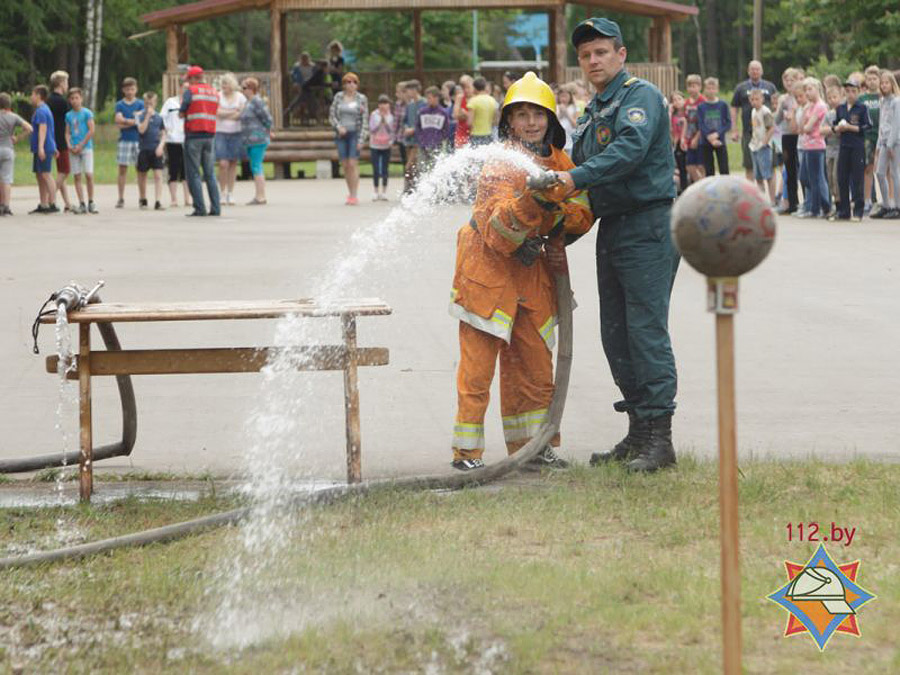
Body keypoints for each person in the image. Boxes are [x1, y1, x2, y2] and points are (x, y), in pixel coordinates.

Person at [449, 72, 593, 471]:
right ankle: (467, 454)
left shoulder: (561, 163)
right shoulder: (498, 165)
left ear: (551, 118)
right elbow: (498, 235)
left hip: (532, 273)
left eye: (538, 114)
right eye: (521, 114)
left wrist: (558, 218)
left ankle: (534, 447)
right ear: (508, 122)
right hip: (488, 272)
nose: (530, 122)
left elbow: (582, 213)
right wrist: (535, 202)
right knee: (478, 367)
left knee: (533, 364)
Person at [554, 17, 680, 473]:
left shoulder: (639, 97)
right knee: (616, 334)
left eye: (601, 52)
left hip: (648, 224)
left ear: (621, 55)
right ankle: (638, 433)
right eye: (586, 55)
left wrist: (572, 178)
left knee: (645, 332)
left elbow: (628, 151)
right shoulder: (592, 110)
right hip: (613, 227)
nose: (593, 61)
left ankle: (660, 440)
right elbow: (582, 168)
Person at [180, 65, 221, 217]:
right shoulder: (214, 92)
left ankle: (200, 208)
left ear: (192, 78)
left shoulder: (191, 91)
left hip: (194, 137)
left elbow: (182, 112)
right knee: (210, 174)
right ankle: (216, 208)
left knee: (194, 174)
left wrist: (183, 114)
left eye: (189, 79)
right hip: (210, 136)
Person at [830, 78, 870, 222]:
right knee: (842, 178)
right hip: (844, 146)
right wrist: (837, 128)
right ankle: (844, 211)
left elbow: (867, 126)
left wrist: (850, 127)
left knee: (857, 179)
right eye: (847, 91)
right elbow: (834, 126)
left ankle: (858, 211)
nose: (850, 94)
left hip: (857, 146)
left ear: (858, 92)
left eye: (853, 91)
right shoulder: (840, 108)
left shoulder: (862, 107)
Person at [730, 60, 778, 181]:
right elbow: (734, 107)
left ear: (761, 71)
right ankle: (751, 196)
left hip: (767, 133)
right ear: (748, 71)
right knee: (749, 166)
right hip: (749, 132)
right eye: (752, 69)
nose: (755, 71)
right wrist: (734, 128)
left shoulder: (770, 86)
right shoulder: (741, 88)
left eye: (757, 69)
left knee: (770, 166)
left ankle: (771, 198)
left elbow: (777, 105)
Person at [329, 72, 368, 205]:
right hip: (341, 134)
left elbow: (365, 120)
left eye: (354, 82)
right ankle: (349, 191)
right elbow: (332, 115)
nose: (351, 85)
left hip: (355, 133)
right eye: (348, 82)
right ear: (344, 85)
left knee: (352, 163)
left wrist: (362, 139)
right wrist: (338, 127)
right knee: (345, 165)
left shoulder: (361, 99)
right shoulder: (338, 97)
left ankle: (354, 194)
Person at [239, 77, 274, 206]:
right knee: (255, 166)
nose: (242, 91)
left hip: (258, 139)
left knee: (256, 166)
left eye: (244, 88)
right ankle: (259, 194)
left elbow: (267, 118)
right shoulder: (248, 102)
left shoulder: (257, 101)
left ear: (251, 89)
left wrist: (268, 130)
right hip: (249, 140)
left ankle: (261, 196)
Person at [214, 74, 246, 206]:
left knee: (233, 163)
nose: (223, 87)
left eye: (226, 84)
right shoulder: (218, 96)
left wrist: (226, 113)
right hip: (220, 132)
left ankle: (230, 193)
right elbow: (217, 113)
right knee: (223, 163)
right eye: (222, 84)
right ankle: (222, 193)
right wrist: (233, 111)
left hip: (236, 132)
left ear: (232, 85)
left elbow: (241, 114)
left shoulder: (240, 97)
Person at [775, 67, 804, 213]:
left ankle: (807, 202)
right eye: (786, 80)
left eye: (792, 80)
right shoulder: (784, 99)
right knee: (790, 170)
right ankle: (792, 203)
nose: (789, 83)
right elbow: (777, 120)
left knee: (803, 170)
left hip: (800, 135)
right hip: (787, 136)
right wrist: (781, 108)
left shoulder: (801, 98)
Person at [872, 70, 900, 219]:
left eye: (886, 82)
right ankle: (886, 205)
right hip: (883, 142)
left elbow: (896, 124)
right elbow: (881, 124)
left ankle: (897, 205)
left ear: (892, 84)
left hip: (894, 142)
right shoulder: (882, 101)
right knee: (880, 172)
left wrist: (890, 144)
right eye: (882, 83)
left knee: (895, 173)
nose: (884, 85)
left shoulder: (897, 101)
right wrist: (878, 144)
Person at [64, 88, 97, 214]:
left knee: (88, 174)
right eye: (72, 98)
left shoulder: (87, 113)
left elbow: (91, 130)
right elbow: (67, 132)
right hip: (73, 148)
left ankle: (91, 201)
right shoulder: (68, 115)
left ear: (81, 99)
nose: (74, 101)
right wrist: (69, 145)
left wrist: (81, 145)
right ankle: (81, 202)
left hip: (86, 147)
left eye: (76, 98)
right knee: (77, 175)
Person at [114, 77, 145, 209]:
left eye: (132, 89)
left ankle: (142, 198)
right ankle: (120, 198)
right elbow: (118, 122)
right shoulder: (119, 105)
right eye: (127, 89)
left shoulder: (141, 104)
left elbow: (142, 123)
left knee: (141, 170)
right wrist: (133, 121)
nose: (130, 92)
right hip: (124, 141)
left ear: (136, 89)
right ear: (123, 90)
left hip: (139, 141)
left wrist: (126, 121)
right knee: (122, 170)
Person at [0, 92, 32, 216]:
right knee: (6, 178)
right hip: (8, 149)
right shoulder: (13, 117)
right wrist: (17, 138)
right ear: (9, 104)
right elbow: (29, 128)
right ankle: (6, 206)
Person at [160, 83, 191, 208]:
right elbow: (162, 118)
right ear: (179, 89)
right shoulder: (170, 102)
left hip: (188, 139)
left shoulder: (192, 102)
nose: (186, 90)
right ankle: (173, 199)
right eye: (184, 88)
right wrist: (168, 131)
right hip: (173, 140)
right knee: (173, 169)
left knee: (187, 171)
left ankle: (187, 198)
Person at [29, 85, 58, 214]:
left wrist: (41, 147)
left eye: (32, 94)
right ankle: (43, 203)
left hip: (44, 147)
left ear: (39, 95)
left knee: (46, 174)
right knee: (40, 175)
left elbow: (43, 129)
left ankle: (52, 203)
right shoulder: (43, 109)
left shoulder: (41, 110)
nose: (31, 97)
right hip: (43, 147)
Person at [135, 92, 166, 211]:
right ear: (144, 103)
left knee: (158, 175)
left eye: (151, 103)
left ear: (155, 103)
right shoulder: (139, 115)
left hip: (156, 149)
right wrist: (147, 116)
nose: (149, 105)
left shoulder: (159, 117)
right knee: (142, 175)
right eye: (147, 103)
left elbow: (164, 134)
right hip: (143, 149)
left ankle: (158, 200)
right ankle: (143, 199)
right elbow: (141, 130)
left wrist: (161, 146)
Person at [47, 71, 73, 213]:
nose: (67, 85)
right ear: (61, 83)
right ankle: (50, 199)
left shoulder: (49, 100)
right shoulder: (62, 102)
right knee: (65, 170)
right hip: (61, 139)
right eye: (66, 82)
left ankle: (67, 203)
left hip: (51, 138)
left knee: (60, 172)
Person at [697, 76, 730, 176]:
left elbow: (728, 123)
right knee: (709, 170)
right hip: (706, 142)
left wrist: (717, 134)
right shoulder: (701, 107)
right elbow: (701, 124)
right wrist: (709, 137)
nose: (711, 91)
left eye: (713, 88)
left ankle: (725, 190)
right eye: (708, 88)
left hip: (720, 141)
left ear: (717, 89)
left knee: (724, 169)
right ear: (705, 89)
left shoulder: (723, 105)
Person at [859, 65, 881, 215]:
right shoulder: (862, 99)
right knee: (868, 168)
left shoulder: (882, 97)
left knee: (883, 169)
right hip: (867, 136)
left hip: (881, 135)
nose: (872, 82)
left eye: (875, 78)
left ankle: (889, 199)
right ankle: (867, 200)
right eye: (869, 79)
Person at [748, 89, 776, 203]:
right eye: (752, 100)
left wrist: (764, 142)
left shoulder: (765, 112)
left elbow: (771, 128)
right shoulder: (753, 111)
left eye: (757, 99)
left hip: (764, 146)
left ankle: (773, 200)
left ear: (762, 99)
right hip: (754, 145)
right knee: (758, 175)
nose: (754, 102)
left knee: (767, 174)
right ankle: (761, 200)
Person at [415, 86, 451, 174]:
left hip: (436, 145)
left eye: (429, 98)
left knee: (435, 169)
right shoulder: (422, 112)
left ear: (436, 98)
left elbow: (446, 129)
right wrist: (421, 140)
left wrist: (439, 139)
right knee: (422, 169)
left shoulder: (443, 113)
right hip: (423, 145)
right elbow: (418, 127)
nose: (427, 100)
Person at [821, 86, 843, 216]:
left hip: (840, 148)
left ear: (840, 97)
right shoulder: (828, 114)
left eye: (834, 97)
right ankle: (836, 203)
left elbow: (842, 130)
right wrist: (833, 129)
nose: (832, 100)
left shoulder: (842, 112)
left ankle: (841, 205)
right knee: (829, 177)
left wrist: (831, 129)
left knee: (836, 176)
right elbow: (821, 130)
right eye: (829, 98)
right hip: (829, 148)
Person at [681, 73, 706, 184]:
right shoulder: (686, 103)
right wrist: (683, 137)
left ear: (700, 87)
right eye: (689, 86)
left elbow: (704, 122)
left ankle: (705, 188)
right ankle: (698, 186)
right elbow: (685, 120)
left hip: (700, 138)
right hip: (689, 137)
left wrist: (697, 138)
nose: (691, 89)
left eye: (694, 86)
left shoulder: (703, 101)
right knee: (690, 166)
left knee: (701, 166)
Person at [368, 94, 394, 201]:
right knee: (375, 169)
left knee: (385, 169)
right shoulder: (374, 115)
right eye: (381, 103)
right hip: (375, 144)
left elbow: (391, 131)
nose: (383, 106)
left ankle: (384, 191)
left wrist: (385, 122)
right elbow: (372, 129)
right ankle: (375, 191)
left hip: (386, 145)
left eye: (386, 103)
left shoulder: (391, 116)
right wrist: (380, 122)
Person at [402, 80, 425, 193]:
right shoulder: (410, 105)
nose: (408, 93)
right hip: (409, 139)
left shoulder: (424, 103)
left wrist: (414, 130)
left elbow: (424, 122)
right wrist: (406, 128)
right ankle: (411, 188)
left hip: (418, 139)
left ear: (415, 90)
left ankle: (411, 188)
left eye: (409, 90)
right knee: (412, 166)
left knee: (409, 165)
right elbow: (405, 120)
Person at [467, 77, 499, 146]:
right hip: (489, 135)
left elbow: (469, 122)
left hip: (476, 135)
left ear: (474, 88)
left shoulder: (473, 101)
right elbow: (496, 120)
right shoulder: (492, 100)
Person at [670, 90, 688, 193]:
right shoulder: (673, 115)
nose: (677, 102)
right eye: (674, 100)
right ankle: (684, 189)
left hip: (686, 141)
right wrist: (669, 112)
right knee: (681, 168)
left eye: (679, 99)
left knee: (690, 166)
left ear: (684, 99)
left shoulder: (688, 112)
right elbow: (670, 128)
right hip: (677, 143)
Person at [453, 75, 474, 148]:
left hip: (473, 132)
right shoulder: (460, 97)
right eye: (464, 88)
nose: (466, 90)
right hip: (461, 132)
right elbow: (455, 115)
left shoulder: (476, 98)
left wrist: (465, 114)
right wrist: (469, 115)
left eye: (468, 87)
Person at [556, 84, 577, 153]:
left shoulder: (574, 107)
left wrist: (567, 113)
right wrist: (560, 114)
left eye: (566, 96)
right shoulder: (556, 107)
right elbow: (553, 123)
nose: (564, 99)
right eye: (562, 96)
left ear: (570, 97)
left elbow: (575, 125)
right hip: (559, 141)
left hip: (571, 141)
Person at [392, 81, 408, 168]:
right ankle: (406, 180)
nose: (396, 94)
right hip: (402, 137)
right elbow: (396, 122)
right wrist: (394, 138)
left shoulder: (412, 104)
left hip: (413, 138)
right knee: (405, 161)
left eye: (398, 92)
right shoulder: (398, 104)